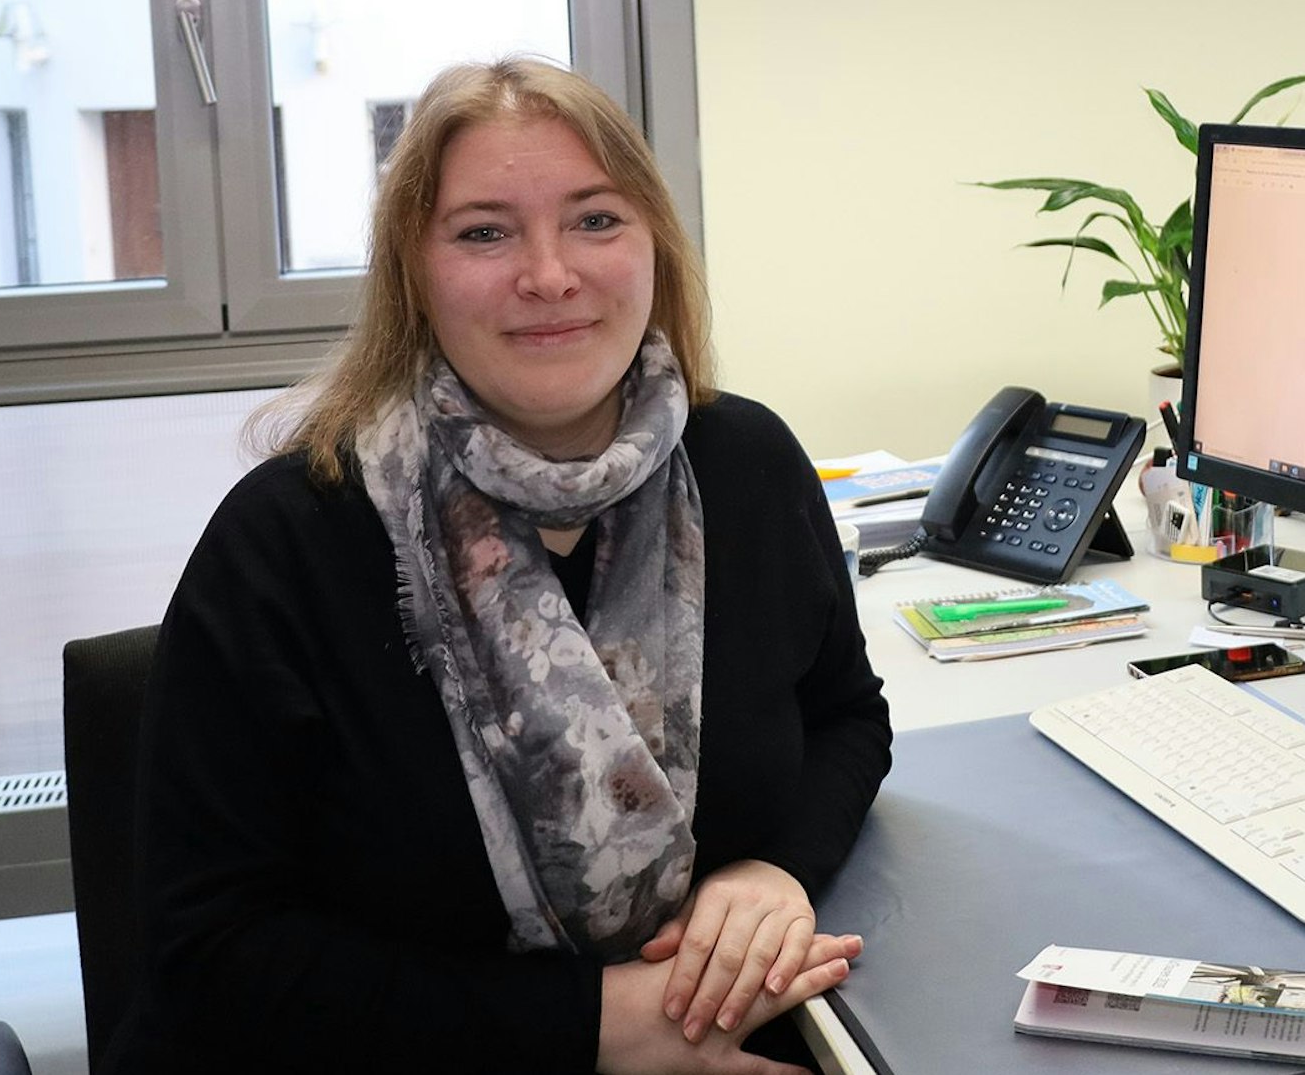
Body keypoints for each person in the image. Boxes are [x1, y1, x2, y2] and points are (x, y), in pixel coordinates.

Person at [117, 56, 893, 1074]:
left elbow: (846, 713)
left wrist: (773, 868)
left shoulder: (746, 466)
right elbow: (213, 951)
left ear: (653, 240)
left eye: (595, 219)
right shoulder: (289, 538)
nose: (549, 274)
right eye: (484, 231)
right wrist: (598, 1025)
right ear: (414, 270)